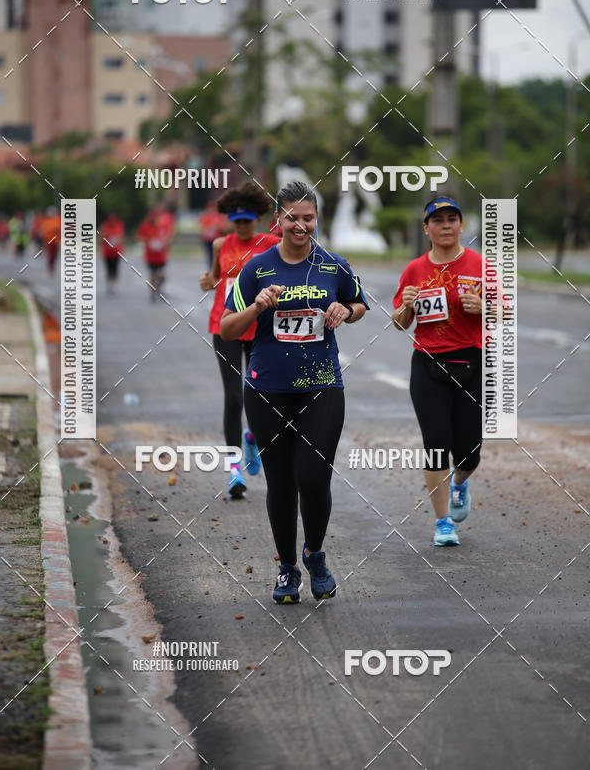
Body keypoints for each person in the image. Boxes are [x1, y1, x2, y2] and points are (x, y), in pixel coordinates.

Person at [220, 180, 369, 604]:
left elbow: (358, 304)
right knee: (281, 482)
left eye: (308, 218)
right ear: (278, 220)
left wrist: (346, 309)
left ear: (316, 220)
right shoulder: (257, 268)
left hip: (322, 386)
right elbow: (227, 328)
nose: (300, 225)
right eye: (292, 218)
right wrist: (256, 307)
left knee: (314, 476)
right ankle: (287, 568)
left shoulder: (333, 265)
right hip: (267, 389)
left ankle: (315, 554)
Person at [392, 196, 495, 547]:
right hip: (428, 364)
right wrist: (406, 306)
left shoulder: (480, 265)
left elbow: (506, 312)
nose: (446, 225)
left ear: (461, 225)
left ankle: (460, 483)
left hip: (472, 362)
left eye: (453, 219)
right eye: (438, 220)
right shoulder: (415, 270)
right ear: (427, 228)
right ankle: (443, 523)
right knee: (436, 443)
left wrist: (484, 307)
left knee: (469, 450)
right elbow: (398, 324)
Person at [200, 182, 280, 499]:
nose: (243, 227)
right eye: (238, 222)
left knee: (259, 396)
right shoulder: (221, 244)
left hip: (260, 325)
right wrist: (208, 281)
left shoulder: (272, 243)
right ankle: (235, 469)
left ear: (257, 219)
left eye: (248, 221)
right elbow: (216, 278)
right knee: (233, 398)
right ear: (231, 220)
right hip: (226, 325)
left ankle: (252, 438)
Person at [137, 206, 174, 302]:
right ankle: (153, 293)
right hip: (150, 256)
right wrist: (148, 241)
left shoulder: (162, 226)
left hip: (161, 255)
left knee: (162, 276)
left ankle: (158, 288)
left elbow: (168, 237)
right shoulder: (145, 226)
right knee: (153, 275)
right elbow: (139, 237)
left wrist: (164, 242)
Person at [198, 200, 229, 268]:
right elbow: (201, 227)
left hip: (217, 239)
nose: (211, 210)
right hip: (208, 240)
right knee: (210, 255)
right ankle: (212, 268)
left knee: (218, 255)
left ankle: (217, 267)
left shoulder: (219, 217)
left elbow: (224, 227)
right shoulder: (205, 217)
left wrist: (217, 227)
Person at [100, 213, 125, 295]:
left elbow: (121, 237)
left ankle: (113, 285)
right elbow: (101, 238)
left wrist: (117, 240)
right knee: (108, 269)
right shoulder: (105, 226)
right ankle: (108, 284)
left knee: (115, 269)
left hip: (116, 252)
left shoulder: (119, 226)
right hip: (107, 252)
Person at [41, 207, 60, 276]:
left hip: (56, 241)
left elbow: (60, 229)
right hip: (49, 241)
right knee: (50, 256)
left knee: (55, 256)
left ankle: (52, 268)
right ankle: (50, 269)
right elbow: (44, 231)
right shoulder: (46, 221)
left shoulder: (58, 220)